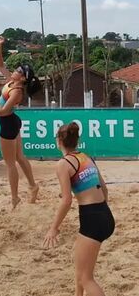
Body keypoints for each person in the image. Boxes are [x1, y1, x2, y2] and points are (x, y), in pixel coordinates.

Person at [43, 122, 115, 296]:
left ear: (59, 141)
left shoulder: (63, 164)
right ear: (77, 141)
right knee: (80, 269)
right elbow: (104, 189)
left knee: (86, 278)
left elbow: (66, 201)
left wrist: (53, 228)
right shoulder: (86, 157)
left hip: (92, 219)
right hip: (105, 214)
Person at [0, 38, 40, 209]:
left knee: (10, 163)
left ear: (22, 78)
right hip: (12, 122)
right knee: (19, 157)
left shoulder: (17, 91)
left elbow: (5, 111)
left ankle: (15, 197)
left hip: (8, 124)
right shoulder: (11, 82)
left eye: (18, 70)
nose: (14, 71)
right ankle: (33, 186)